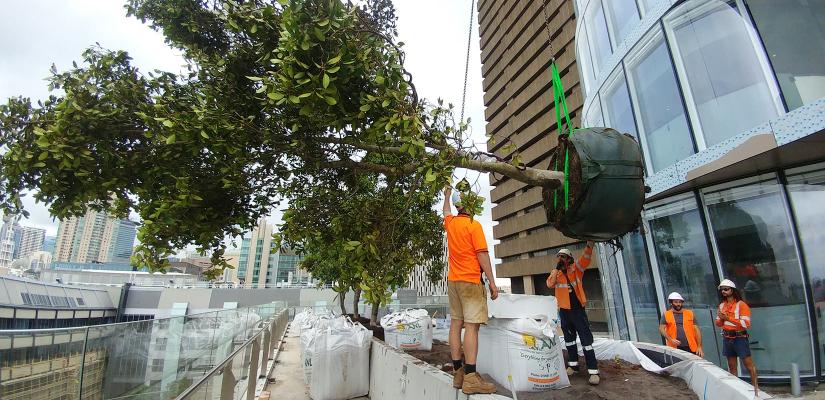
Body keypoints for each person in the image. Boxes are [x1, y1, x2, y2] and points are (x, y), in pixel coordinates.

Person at [443, 186, 499, 395]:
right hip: (470, 281)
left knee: (455, 324)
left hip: (453, 281)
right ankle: (471, 378)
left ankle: (458, 372)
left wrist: (446, 196)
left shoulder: (451, 223)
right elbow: (482, 256)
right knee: (472, 328)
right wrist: (492, 283)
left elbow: (446, 211)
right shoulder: (474, 225)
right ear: (469, 204)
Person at [546, 242, 600, 385]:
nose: (561, 259)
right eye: (559, 257)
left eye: (563, 257)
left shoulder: (577, 269)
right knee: (569, 340)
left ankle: (593, 371)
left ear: (569, 259)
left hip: (578, 312)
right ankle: (573, 366)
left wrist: (589, 246)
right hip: (564, 312)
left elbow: (585, 259)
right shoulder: (556, 273)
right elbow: (550, 284)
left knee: (586, 341)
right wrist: (555, 271)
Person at [716, 279, 759, 394]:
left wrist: (727, 318)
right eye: (722, 290)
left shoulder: (741, 305)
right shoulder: (722, 305)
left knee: (749, 365)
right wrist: (722, 319)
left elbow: (746, 324)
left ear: (732, 290)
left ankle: (756, 391)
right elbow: (718, 323)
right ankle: (736, 392)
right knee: (732, 367)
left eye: (726, 289)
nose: (723, 291)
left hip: (739, 338)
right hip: (727, 338)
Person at [659, 292, 704, 357]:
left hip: (691, 347)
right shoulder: (666, 314)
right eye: (676, 302)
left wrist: (699, 347)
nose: (678, 304)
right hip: (674, 348)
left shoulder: (690, 313)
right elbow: (661, 329)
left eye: (680, 302)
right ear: (671, 303)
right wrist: (670, 339)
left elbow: (697, 330)